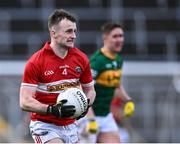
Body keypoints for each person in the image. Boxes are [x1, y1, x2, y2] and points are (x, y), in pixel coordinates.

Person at [19, 9, 96, 143]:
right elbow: (25, 101)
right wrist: (52, 110)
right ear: (53, 33)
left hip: (71, 125)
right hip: (44, 125)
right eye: (68, 31)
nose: (74, 36)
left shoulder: (81, 58)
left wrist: (85, 105)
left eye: (74, 31)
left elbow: (90, 90)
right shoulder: (36, 62)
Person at [89, 22, 135, 143]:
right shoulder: (97, 62)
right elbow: (84, 91)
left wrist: (127, 100)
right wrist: (90, 118)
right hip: (89, 117)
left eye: (121, 36)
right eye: (115, 36)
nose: (119, 39)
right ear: (105, 38)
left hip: (105, 116)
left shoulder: (118, 60)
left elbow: (116, 85)